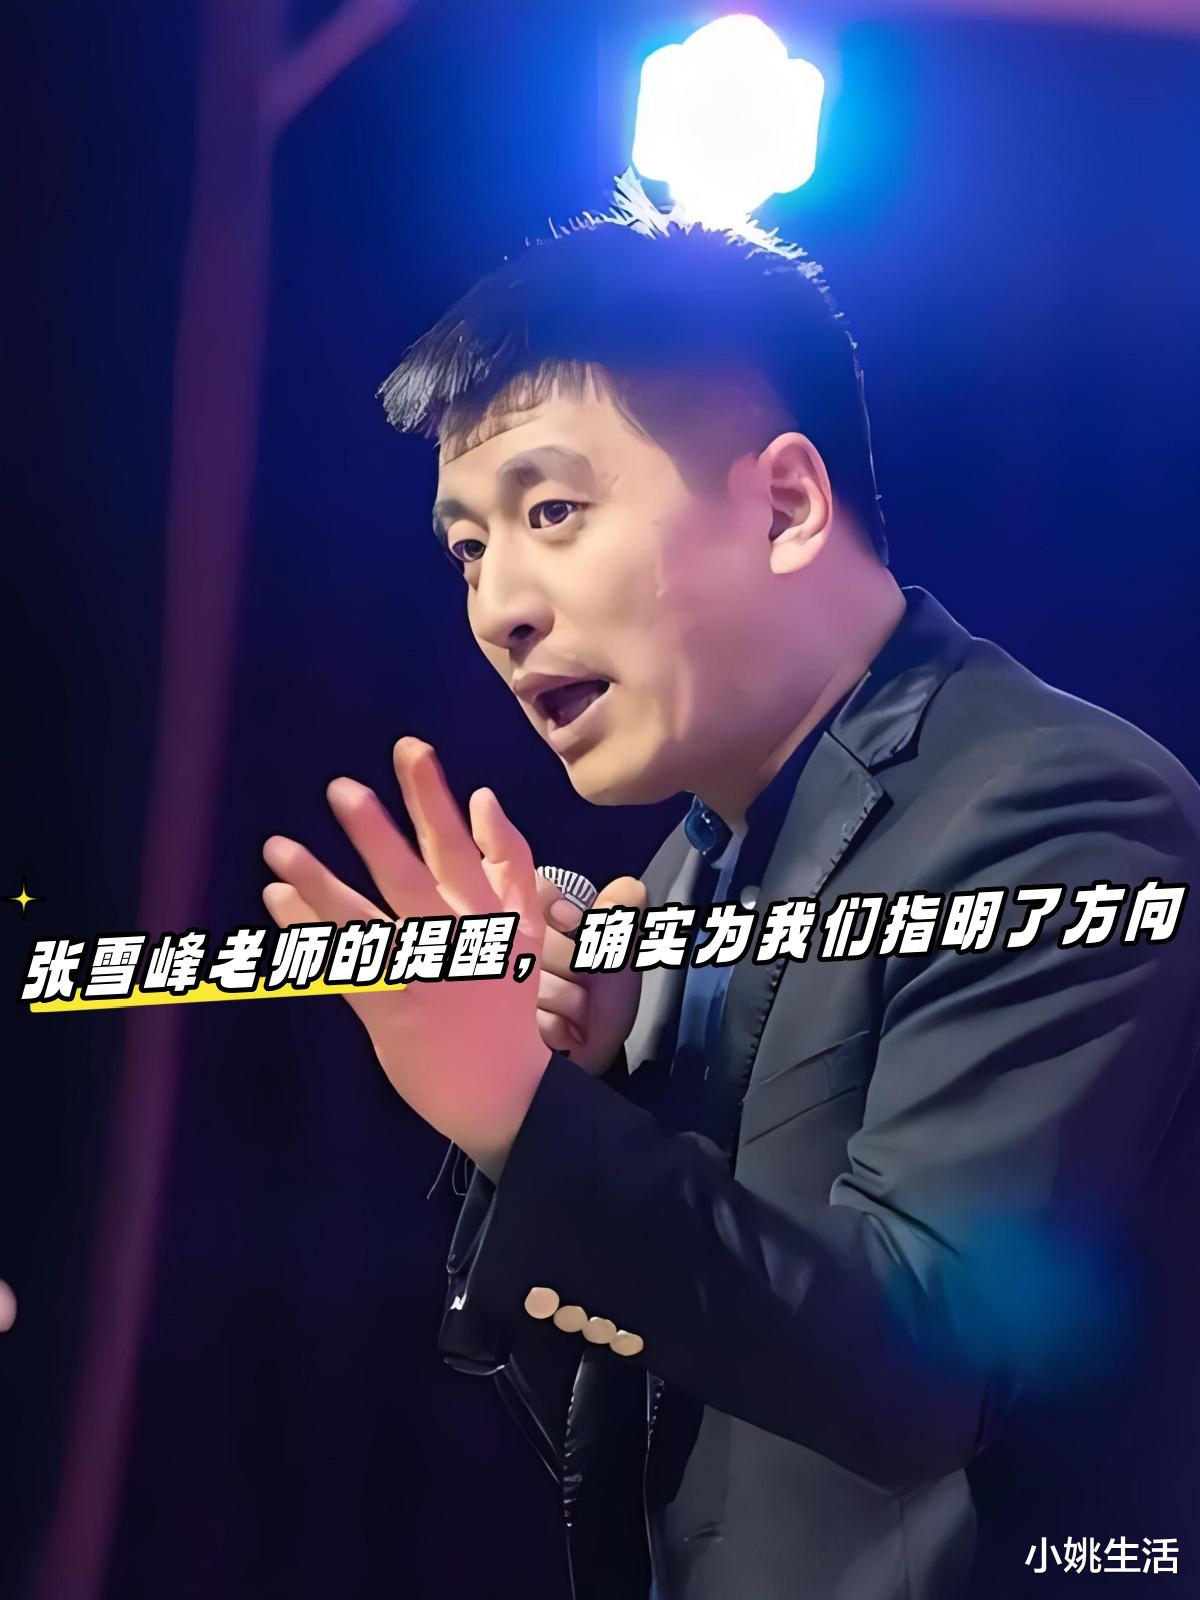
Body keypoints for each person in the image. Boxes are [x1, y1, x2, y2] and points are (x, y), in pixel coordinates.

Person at [261, 178, 1200, 1598]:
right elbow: (650, 1442)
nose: (499, 605)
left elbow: (929, 1369)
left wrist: (527, 1119)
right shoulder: (685, 870)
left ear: (786, 504)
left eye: (553, 510)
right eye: (468, 548)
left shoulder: (1058, 812)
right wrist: (567, 1094)